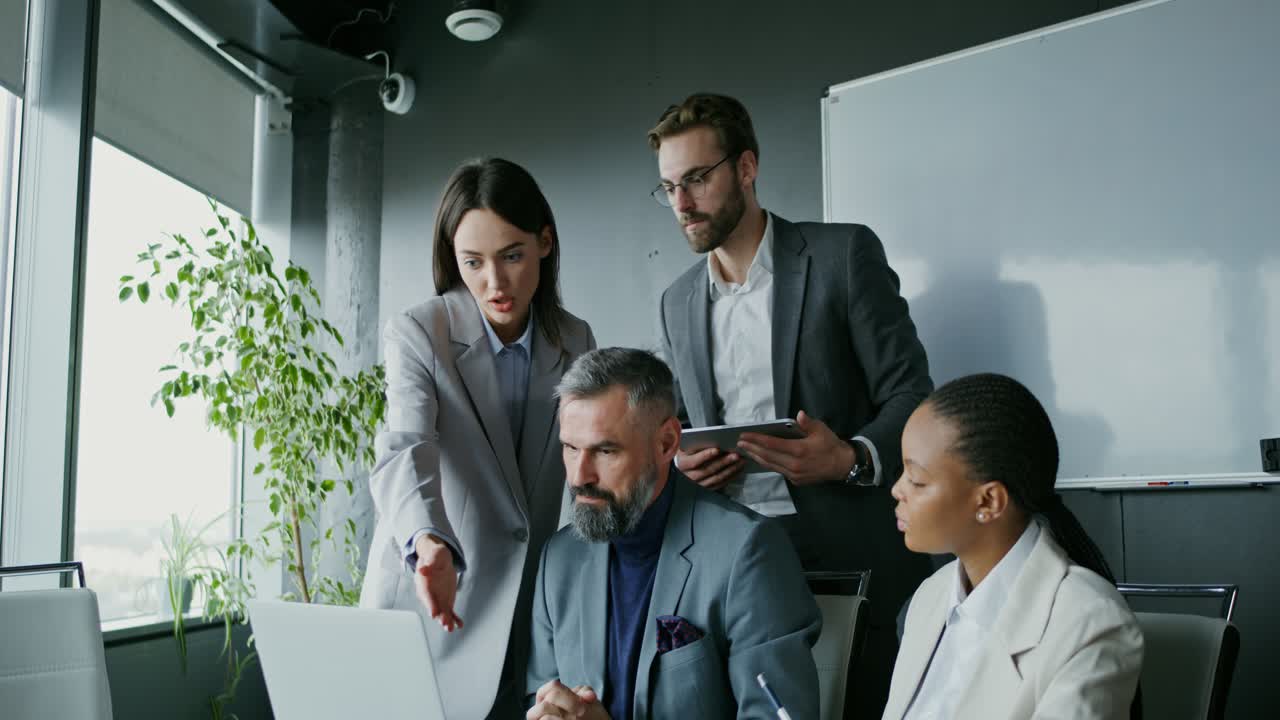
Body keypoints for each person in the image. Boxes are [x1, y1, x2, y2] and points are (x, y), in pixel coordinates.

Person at [650, 91, 934, 716]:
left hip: (852, 553)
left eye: (696, 178)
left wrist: (851, 457)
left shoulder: (844, 256)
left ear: (746, 168)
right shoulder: (676, 302)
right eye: (668, 187)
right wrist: (683, 467)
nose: (681, 202)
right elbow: (682, 431)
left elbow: (912, 394)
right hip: (734, 564)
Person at [360, 157, 597, 719]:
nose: (495, 283)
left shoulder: (576, 338)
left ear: (544, 241)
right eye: (474, 262)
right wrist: (428, 541)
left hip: (525, 612)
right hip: (432, 601)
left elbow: (585, 458)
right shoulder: (421, 331)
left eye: (512, 256)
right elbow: (405, 447)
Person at [526, 348, 821, 720]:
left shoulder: (748, 551)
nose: (579, 476)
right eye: (570, 448)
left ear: (666, 443)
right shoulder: (558, 557)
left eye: (604, 450)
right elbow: (536, 696)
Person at [883, 373, 1143, 719]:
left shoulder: (1089, 622)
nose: (897, 490)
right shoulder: (930, 597)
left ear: (989, 501)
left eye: (916, 480)